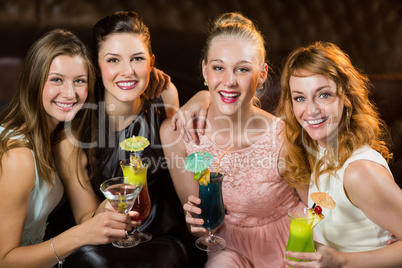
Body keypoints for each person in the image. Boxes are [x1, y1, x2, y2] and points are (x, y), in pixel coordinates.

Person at [50, 11, 208, 267]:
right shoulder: (74, 135)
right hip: (104, 236)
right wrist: (108, 209)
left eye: (137, 59)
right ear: (96, 66)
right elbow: (85, 218)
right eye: (113, 60)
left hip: (162, 233)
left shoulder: (165, 97)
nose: (127, 71)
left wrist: (204, 95)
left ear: (151, 62)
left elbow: (182, 164)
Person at [161, 12, 304, 268]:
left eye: (242, 69)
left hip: (290, 247)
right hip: (227, 250)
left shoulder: (284, 135)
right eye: (219, 68)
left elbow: (314, 208)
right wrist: (195, 222)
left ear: (262, 74)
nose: (229, 81)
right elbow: (199, 229)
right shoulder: (176, 133)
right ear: (205, 70)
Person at [0, 29, 135, 268]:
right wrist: (80, 235)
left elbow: (87, 217)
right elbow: (4, 260)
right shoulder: (17, 156)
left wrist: (106, 209)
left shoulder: (62, 140)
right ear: (34, 80)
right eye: (56, 80)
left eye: (79, 81)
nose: (70, 94)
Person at [276, 41, 402, 267]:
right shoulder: (322, 153)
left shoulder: (359, 172)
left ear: (347, 98)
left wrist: (341, 261)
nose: (311, 110)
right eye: (300, 98)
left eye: (323, 95)